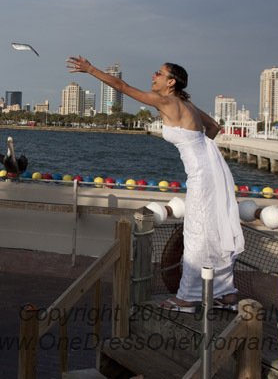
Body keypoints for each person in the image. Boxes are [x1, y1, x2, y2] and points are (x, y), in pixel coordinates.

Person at [66, 56, 244, 312]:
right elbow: (213, 127)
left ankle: (189, 297)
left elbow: (123, 88)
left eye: (159, 74)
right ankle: (226, 294)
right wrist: (198, 149)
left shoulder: (166, 101)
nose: (153, 76)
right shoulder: (185, 103)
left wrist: (90, 69)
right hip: (212, 168)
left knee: (197, 233)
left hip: (202, 174)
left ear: (171, 82)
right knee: (214, 229)